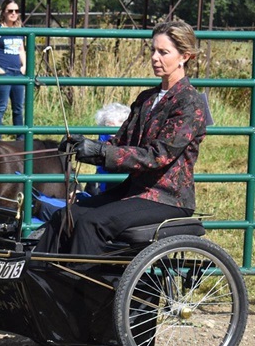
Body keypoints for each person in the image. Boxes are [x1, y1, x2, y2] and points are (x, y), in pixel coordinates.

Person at [35, 20, 206, 255]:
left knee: (91, 224)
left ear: (184, 56)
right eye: (153, 50)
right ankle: (39, 279)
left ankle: (84, 289)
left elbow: (158, 156)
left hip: (167, 199)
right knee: (65, 216)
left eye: (163, 52)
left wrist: (100, 151)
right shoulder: (146, 98)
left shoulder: (190, 103)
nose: (155, 57)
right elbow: (119, 144)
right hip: (135, 191)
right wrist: (83, 147)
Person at [0, 0, 27, 139]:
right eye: (10, 11)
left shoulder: (19, 30)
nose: (14, 13)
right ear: (3, 12)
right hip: (3, 72)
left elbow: (22, 50)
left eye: (16, 11)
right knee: (1, 106)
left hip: (18, 73)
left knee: (18, 108)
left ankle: (20, 139)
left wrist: (24, 66)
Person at [83, 102, 131, 196]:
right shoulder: (98, 175)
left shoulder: (127, 168)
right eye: (107, 127)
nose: (111, 136)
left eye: (114, 129)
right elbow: (89, 193)